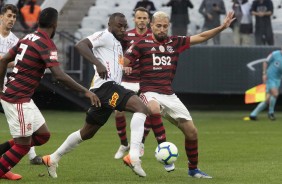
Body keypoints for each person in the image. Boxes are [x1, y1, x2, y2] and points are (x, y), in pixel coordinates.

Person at [122, 10, 235, 178]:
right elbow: (123, 60)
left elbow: (202, 37)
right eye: (158, 26)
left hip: (169, 94)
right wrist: (124, 66)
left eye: (165, 26)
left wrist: (221, 27)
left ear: (169, 27)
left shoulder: (175, 42)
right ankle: (165, 153)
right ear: (151, 26)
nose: (161, 29)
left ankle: (193, 170)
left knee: (192, 132)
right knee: (152, 107)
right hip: (148, 91)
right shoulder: (141, 44)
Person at [42, 12, 149, 178]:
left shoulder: (118, 44)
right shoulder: (105, 36)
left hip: (103, 91)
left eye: (124, 26)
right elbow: (81, 45)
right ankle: (134, 156)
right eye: (119, 26)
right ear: (110, 25)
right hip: (106, 87)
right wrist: (97, 63)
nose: (123, 29)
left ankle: (53, 158)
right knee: (141, 108)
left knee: (87, 132)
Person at [0, 7, 100, 179]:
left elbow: (4, 60)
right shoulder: (46, 43)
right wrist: (86, 92)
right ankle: (2, 170)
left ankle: (4, 153)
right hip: (18, 99)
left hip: (21, 96)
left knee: (42, 135)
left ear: (39, 21)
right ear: (55, 24)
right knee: (23, 146)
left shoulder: (28, 37)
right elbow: (59, 76)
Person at [114, 7, 167, 166]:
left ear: (149, 21)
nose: (142, 21)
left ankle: (141, 142)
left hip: (145, 81)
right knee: (118, 112)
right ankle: (124, 144)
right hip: (127, 80)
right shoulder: (127, 35)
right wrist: (123, 66)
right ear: (135, 19)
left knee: (150, 111)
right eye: (139, 18)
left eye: (145, 18)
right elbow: (118, 53)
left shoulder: (155, 36)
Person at [0, 4, 42, 181]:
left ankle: (28, 157)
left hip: (5, 90)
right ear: (1, 16)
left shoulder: (16, 41)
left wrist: (5, 60)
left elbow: (17, 62)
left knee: (28, 119)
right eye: (9, 16)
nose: (11, 20)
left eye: (14, 17)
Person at [248, 49, 282, 121]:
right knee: (275, 94)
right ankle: (271, 113)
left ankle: (253, 114)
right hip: (270, 77)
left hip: (278, 79)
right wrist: (264, 73)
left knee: (268, 100)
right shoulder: (275, 54)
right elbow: (265, 62)